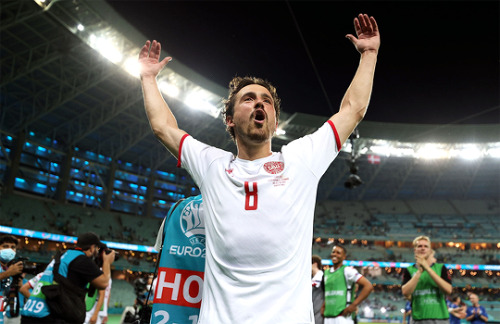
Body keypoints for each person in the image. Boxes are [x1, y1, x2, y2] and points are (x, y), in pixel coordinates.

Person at [139, 12, 380, 323]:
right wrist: (147, 78)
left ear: (275, 122)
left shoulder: (300, 160)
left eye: (266, 100)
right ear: (229, 119)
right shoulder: (212, 166)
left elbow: (352, 110)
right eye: (248, 99)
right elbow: (163, 127)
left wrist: (369, 54)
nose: (259, 104)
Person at [21, 232, 115, 324]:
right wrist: (107, 262)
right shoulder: (81, 259)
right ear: (91, 248)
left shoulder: (63, 256)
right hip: (48, 316)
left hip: (30, 313)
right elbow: (103, 283)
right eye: (97, 248)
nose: (97, 252)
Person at [402, 236, 452, 324]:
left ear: (430, 250)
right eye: (419, 246)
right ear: (415, 250)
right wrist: (420, 271)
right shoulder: (409, 270)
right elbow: (405, 292)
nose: (422, 248)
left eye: (426, 246)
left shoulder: (441, 268)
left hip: (440, 318)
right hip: (417, 318)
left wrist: (427, 268)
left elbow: (448, 290)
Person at [321, 245, 373, 324]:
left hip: (343, 317)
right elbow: (330, 292)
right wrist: (324, 305)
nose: (335, 254)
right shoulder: (326, 273)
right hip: (328, 317)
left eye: (338, 253)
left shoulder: (347, 270)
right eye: (333, 252)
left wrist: (354, 305)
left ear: (344, 257)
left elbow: (368, 286)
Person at [0, 235, 24, 324]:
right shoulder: (8, 271)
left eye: (13, 247)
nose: (9, 250)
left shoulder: (6, 269)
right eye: (5, 246)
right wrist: (8, 273)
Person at [312, 255, 325, 324]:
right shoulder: (313, 278)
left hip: (319, 312)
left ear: (315, 264)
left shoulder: (321, 276)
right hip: (313, 312)